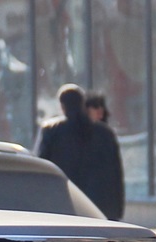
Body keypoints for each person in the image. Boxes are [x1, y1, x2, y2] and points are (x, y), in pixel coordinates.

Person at [33, 86, 125, 221]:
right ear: (83, 104)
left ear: (62, 106)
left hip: (64, 208)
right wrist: (117, 209)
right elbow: (116, 174)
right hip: (100, 210)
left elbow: (40, 169)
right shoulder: (105, 134)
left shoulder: (51, 131)